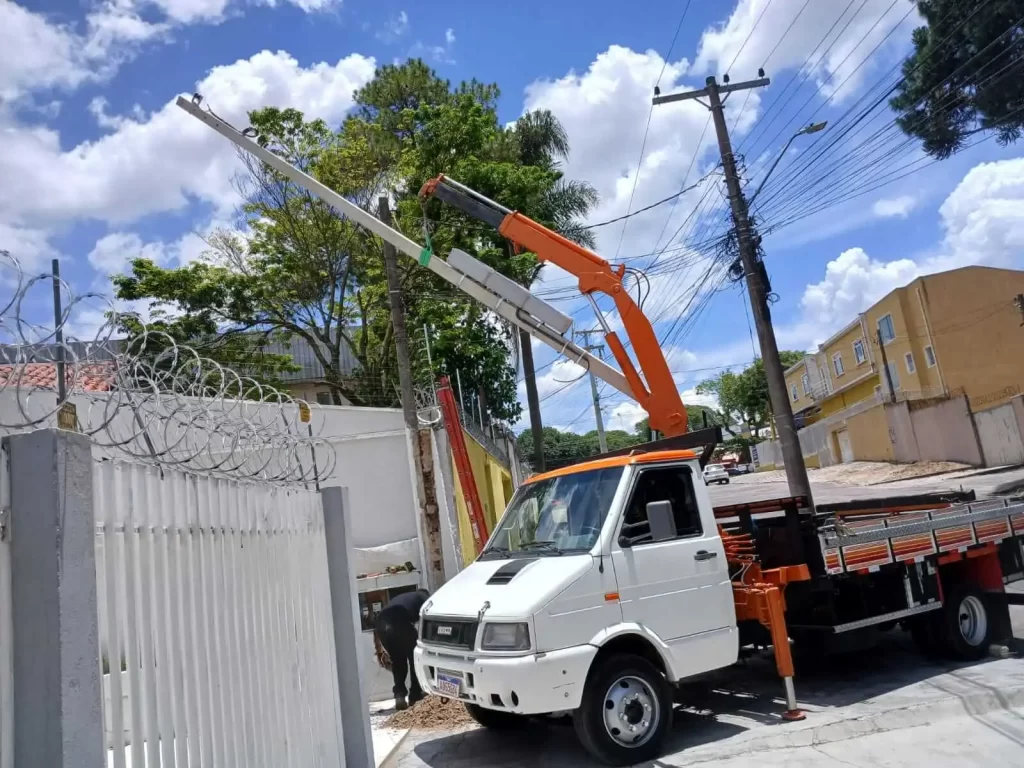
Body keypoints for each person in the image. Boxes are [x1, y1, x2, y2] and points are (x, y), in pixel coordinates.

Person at [373, 588, 429, 710]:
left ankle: (399, 695)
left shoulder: (408, 597)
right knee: (415, 658)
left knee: (398, 661)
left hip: (382, 625)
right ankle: (415, 695)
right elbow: (428, 621)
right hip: (399, 620)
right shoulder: (425, 599)